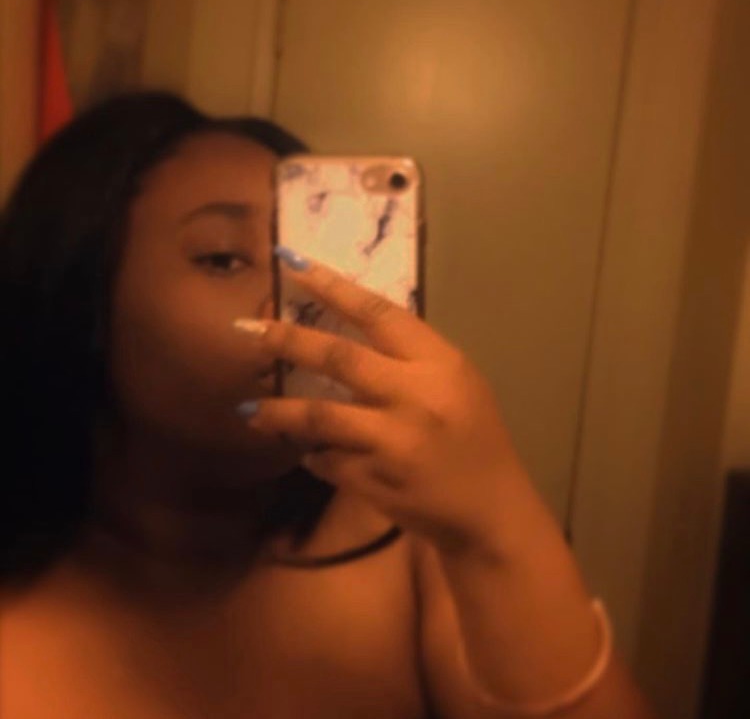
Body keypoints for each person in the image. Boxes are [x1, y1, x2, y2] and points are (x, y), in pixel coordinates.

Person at [0, 91, 657, 718]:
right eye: (225, 258)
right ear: (76, 298)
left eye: (313, 260)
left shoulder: (411, 546)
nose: (301, 305)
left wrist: (497, 528)